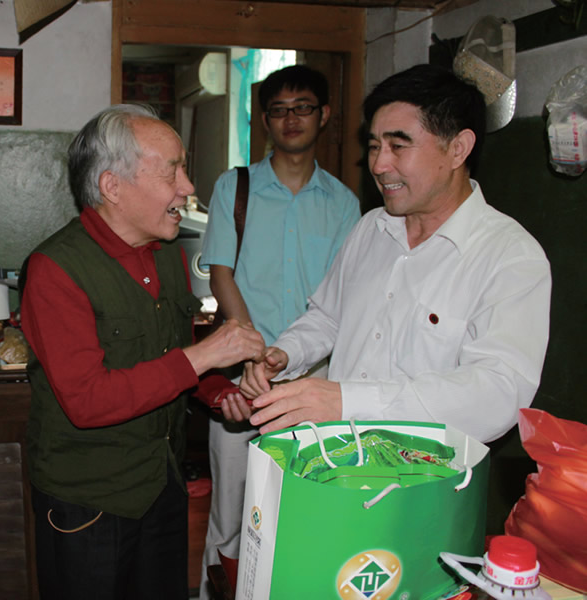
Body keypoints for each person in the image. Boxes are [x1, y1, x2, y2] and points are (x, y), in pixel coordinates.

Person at [20, 104, 266, 600]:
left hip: (162, 485)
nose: (187, 187)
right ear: (112, 186)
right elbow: (87, 402)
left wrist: (219, 392)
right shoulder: (56, 270)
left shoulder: (166, 254)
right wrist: (204, 357)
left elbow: (172, 354)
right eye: (171, 171)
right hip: (90, 501)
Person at [235, 64, 551, 447]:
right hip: (338, 458)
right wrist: (287, 353)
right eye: (374, 146)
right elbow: (329, 317)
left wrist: (348, 402)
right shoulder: (372, 228)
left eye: (398, 146)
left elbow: (497, 394)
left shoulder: (509, 256)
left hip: (426, 475)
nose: (379, 166)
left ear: (458, 148)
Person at [197, 64, 359, 599]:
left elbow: (341, 299)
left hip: (314, 382)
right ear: (264, 120)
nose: (292, 119)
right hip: (242, 381)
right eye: (279, 110)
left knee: (303, 508)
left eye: (303, 107)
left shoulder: (344, 204)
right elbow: (221, 274)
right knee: (231, 511)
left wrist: (288, 356)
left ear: (324, 115)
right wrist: (251, 352)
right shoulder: (234, 187)